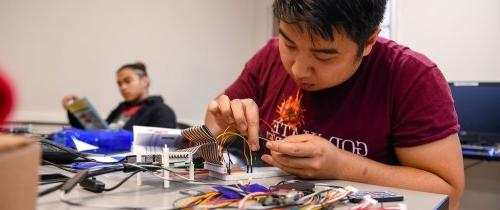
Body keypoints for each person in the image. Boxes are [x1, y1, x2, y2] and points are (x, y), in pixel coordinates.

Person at [204, 0, 464, 209]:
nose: (298, 69)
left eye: (324, 55)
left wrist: (342, 166)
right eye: (289, 43)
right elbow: (215, 123)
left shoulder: (411, 77)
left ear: (369, 41)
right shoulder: (269, 57)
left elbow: (448, 193)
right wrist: (217, 124)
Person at [62, 62, 177, 130]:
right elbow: (97, 133)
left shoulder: (162, 111)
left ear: (145, 81)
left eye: (127, 81)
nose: (122, 87)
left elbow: (158, 148)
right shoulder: (121, 109)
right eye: (119, 83)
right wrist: (74, 110)